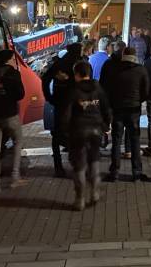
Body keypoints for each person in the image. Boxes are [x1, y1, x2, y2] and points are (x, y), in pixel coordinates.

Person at [66, 59, 111, 210]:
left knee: (79, 165)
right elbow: (106, 108)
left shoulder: (73, 90)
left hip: (78, 131)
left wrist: (65, 130)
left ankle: (80, 199)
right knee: (94, 160)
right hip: (96, 129)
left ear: (77, 74)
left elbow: (66, 114)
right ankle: (95, 193)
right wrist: (106, 125)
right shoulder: (98, 88)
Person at [105, 47, 149, 182]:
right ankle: (136, 172)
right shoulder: (141, 70)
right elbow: (146, 91)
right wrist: (137, 100)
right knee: (135, 141)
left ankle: (114, 172)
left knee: (116, 141)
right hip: (133, 109)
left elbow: (108, 89)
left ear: (123, 55)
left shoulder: (114, 69)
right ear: (135, 56)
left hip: (117, 109)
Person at [0, 49, 26, 193]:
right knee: (17, 142)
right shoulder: (13, 74)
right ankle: (15, 178)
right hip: (10, 115)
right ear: (9, 59)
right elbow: (20, 94)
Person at [42, 43, 82, 177]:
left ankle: (58, 167)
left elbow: (45, 79)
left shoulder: (59, 63)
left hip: (59, 102)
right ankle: (76, 164)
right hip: (75, 104)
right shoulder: (79, 64)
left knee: (57, 134)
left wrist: (49, 96)